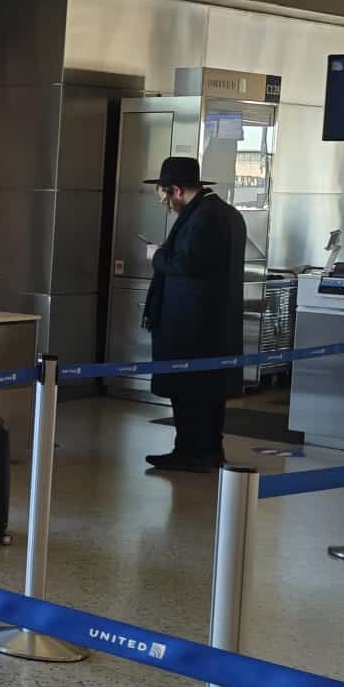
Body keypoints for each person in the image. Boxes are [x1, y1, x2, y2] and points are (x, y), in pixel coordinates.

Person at [141, 156, 247, 473]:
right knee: (209, 393)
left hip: (190, 325)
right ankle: (209, 450)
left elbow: (187, 265)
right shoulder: (226, 214)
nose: (166, 203)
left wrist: (157, 255)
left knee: (188, 391)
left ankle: (190, 453)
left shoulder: (203, 217)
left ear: (176, 190)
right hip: (215, 322)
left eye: (165, 196)